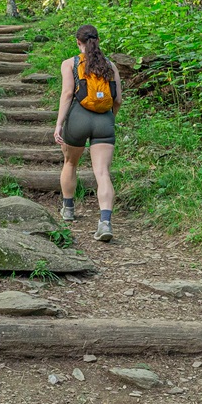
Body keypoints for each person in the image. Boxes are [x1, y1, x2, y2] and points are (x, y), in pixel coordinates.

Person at [53, 24, 122, 242]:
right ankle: (105, 222)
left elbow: (66, 95)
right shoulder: (110, 65)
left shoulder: (70, 64)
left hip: (78, 119)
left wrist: (59, 124)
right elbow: (118, 99)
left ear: (78, 42)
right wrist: (111, 118)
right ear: (98, 41)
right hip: (104, 120)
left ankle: (68, 209)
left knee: (70, 163)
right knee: (102, 173)